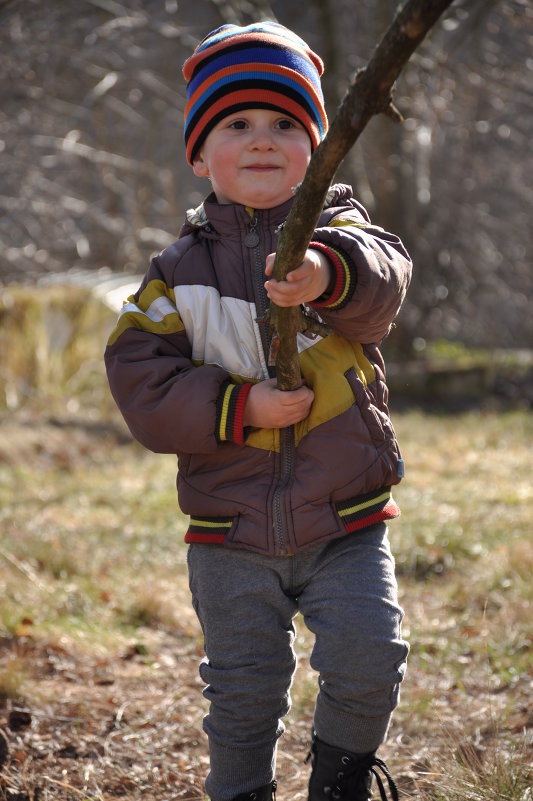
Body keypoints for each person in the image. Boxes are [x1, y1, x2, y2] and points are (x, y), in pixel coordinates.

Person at [105, 20, 411, 801]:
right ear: (200, 154)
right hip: (229, 529)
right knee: (242, 690)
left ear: (319, 147)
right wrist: (241, 408)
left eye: (285, 124)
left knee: (371, 657)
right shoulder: (175, 274)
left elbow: (383, 287)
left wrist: (320, 273)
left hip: (345, 516)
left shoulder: (341, 236)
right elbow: (139, 381)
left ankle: (339, 782)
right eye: (236, 124)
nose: (263, 140)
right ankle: (238, 793)